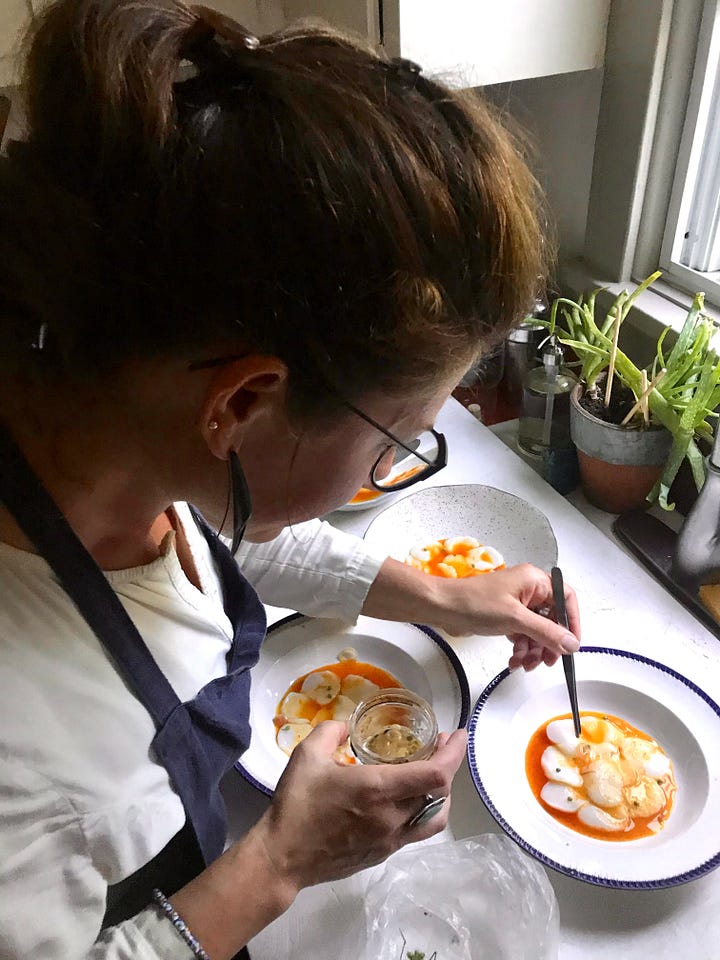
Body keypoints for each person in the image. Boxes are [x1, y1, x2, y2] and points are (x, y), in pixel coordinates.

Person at [0, 1, 581, 958]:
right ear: (243, 402)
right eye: (395, 441)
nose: (391, 468)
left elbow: (224, 529)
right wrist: (276, 863)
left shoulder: (113, 415)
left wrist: (442, 595)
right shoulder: (32, 756)